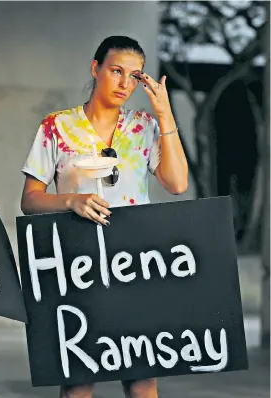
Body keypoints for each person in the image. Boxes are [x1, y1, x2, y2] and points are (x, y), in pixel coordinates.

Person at [20, 36, 188, 398]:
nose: (125, 84)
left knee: (142, 380)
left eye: (134, 76)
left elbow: (177, 183)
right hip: (78, 264)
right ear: (96, 69)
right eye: (116, 71)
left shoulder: (144, 125)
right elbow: (30, 200)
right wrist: (71, 202)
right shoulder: (57, 126)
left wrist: (165, 115)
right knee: (78, 381)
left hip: (136, 261)